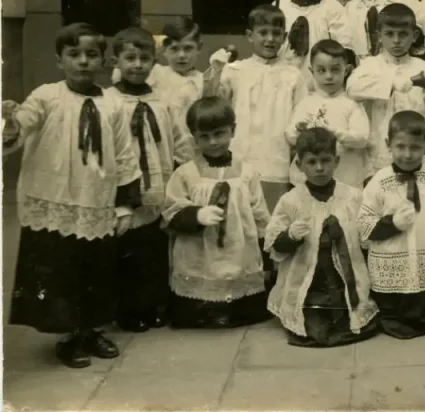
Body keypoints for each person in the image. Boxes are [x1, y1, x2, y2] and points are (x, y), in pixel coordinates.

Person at [2, 23, 141, 368]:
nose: (83, 62)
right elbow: (21, 128)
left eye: (91, 54)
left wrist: (125, 204)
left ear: (104, 61)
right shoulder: (46, 96)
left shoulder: (113, 103)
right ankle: (67, 337)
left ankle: (90, 329)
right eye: (74, 54)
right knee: (60, 270)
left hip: (97, 200)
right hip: (54, 199)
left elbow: (125, 155)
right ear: (59, 59)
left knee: (96, 270)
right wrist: (10, 122)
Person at [108, 27, 193, 333]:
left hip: (158, 186)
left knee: (155, 251)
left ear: (154, 61)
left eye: (145, 58)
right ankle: (129, 310)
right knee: (127, 251)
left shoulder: (163, 101)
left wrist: (184, 175)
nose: (137, 64)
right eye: (130, 58)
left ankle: (156, 304)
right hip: (126, 190)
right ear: (115, 60)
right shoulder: (109, 102)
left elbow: (180, 141)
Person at [162, 97, 273, 329]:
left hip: (238, 245)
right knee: (201, 276)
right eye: (204, 136)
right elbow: (171, 209)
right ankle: (202, 311)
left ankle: (236, 311)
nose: (213, 142)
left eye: (219, 134)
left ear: (232, 131)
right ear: (194, 136)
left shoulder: (246, 172)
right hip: (200, 247)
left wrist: (266, 248)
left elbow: (259, 212)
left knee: (238, 273)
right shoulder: (187, 173)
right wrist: (195, 214)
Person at [265, 128, 380, 347]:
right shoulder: (291, 201)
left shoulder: (353, 197)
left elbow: (366, 238)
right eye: (312, 162)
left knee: (352, 321)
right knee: (315, 331)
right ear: (299, 166)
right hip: (311, 281)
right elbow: (275, 246)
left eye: (325, 160)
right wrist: (290, 236)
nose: (319, 168)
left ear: (336, 161)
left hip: (344, 278)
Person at [357, 111, 425, 338]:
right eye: (400, 146)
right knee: (393, 305)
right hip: (393, 257)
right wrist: (391, 223)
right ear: (388, 145)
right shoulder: (379, 181)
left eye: (415, 147)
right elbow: (363, 225)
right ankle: (393, 318)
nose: (407, 154)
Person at [217, 4, 307, 211]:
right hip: (239, 157)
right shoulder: (234, 71)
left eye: (276, 33)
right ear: (250, 35)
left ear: (284, 37)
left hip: (275, 161)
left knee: (270, 222)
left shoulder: (293, 75)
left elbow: (299, 117)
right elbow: (219, 111)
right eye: (263, 33)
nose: (270, 39)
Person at [346, 3, 425, 175]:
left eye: (403, 34)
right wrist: (390, 84)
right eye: (389, 34)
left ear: (414, 36)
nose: (396, 41)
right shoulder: (370, 66)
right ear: (379, 36)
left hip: (416, 147)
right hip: (381, 146)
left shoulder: (424, 68)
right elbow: (352, 88)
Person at [285, 39, 370, 189]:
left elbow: (361, 138)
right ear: (312, 72)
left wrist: (335, 133)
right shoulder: (306, 103)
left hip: (345, 176)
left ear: (347, 70)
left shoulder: (353, 103)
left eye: (335, 69)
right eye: (322, 70)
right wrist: (300, 132)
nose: (329, 76)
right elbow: (290, 135)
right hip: (310, 178)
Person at [277, 0, 348, 89]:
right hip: (282, 85)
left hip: (318, 87)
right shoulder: (280, 5)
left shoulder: (333, 9)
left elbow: (344, 48)